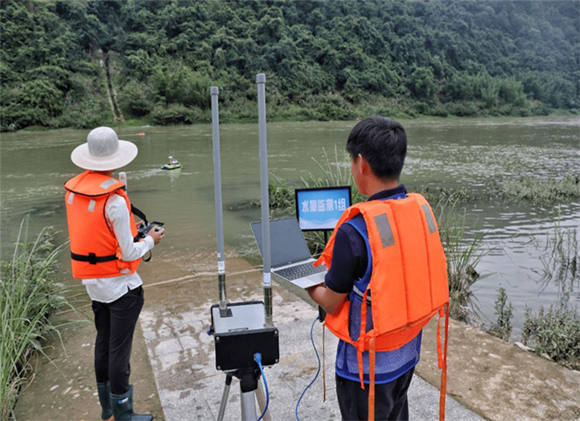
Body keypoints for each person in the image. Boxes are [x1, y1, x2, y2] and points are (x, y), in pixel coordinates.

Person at [307, 116, 448, 421]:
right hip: (406, 356)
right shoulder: (419, 213)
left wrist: (307, 284)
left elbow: (332, 303)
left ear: (361, 163)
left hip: (365, 373)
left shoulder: (354, 231)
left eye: (351, 160)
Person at [65, 127, 164, 421]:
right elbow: (130, 252)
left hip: (93, 284)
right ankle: (124, 413)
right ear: (116, 157)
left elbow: (97, 235)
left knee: (103, 344)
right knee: (120, 351)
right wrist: (151, 240)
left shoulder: (75, 191)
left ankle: (108, 410)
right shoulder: (115, 201)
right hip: (122, 289)